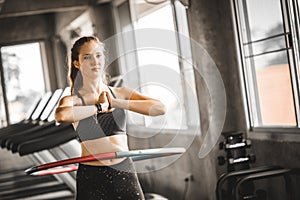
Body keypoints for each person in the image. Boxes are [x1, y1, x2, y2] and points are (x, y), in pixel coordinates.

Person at [55, 36, 166, 200]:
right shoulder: (74, 99)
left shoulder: (120, 93)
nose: (95, 61)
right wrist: (99, 107)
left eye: (98, 55)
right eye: (87, 57)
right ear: (77, 63)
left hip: (124, 172)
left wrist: (115, 102)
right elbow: (61, 115)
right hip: (91, 176)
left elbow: (159, 108)